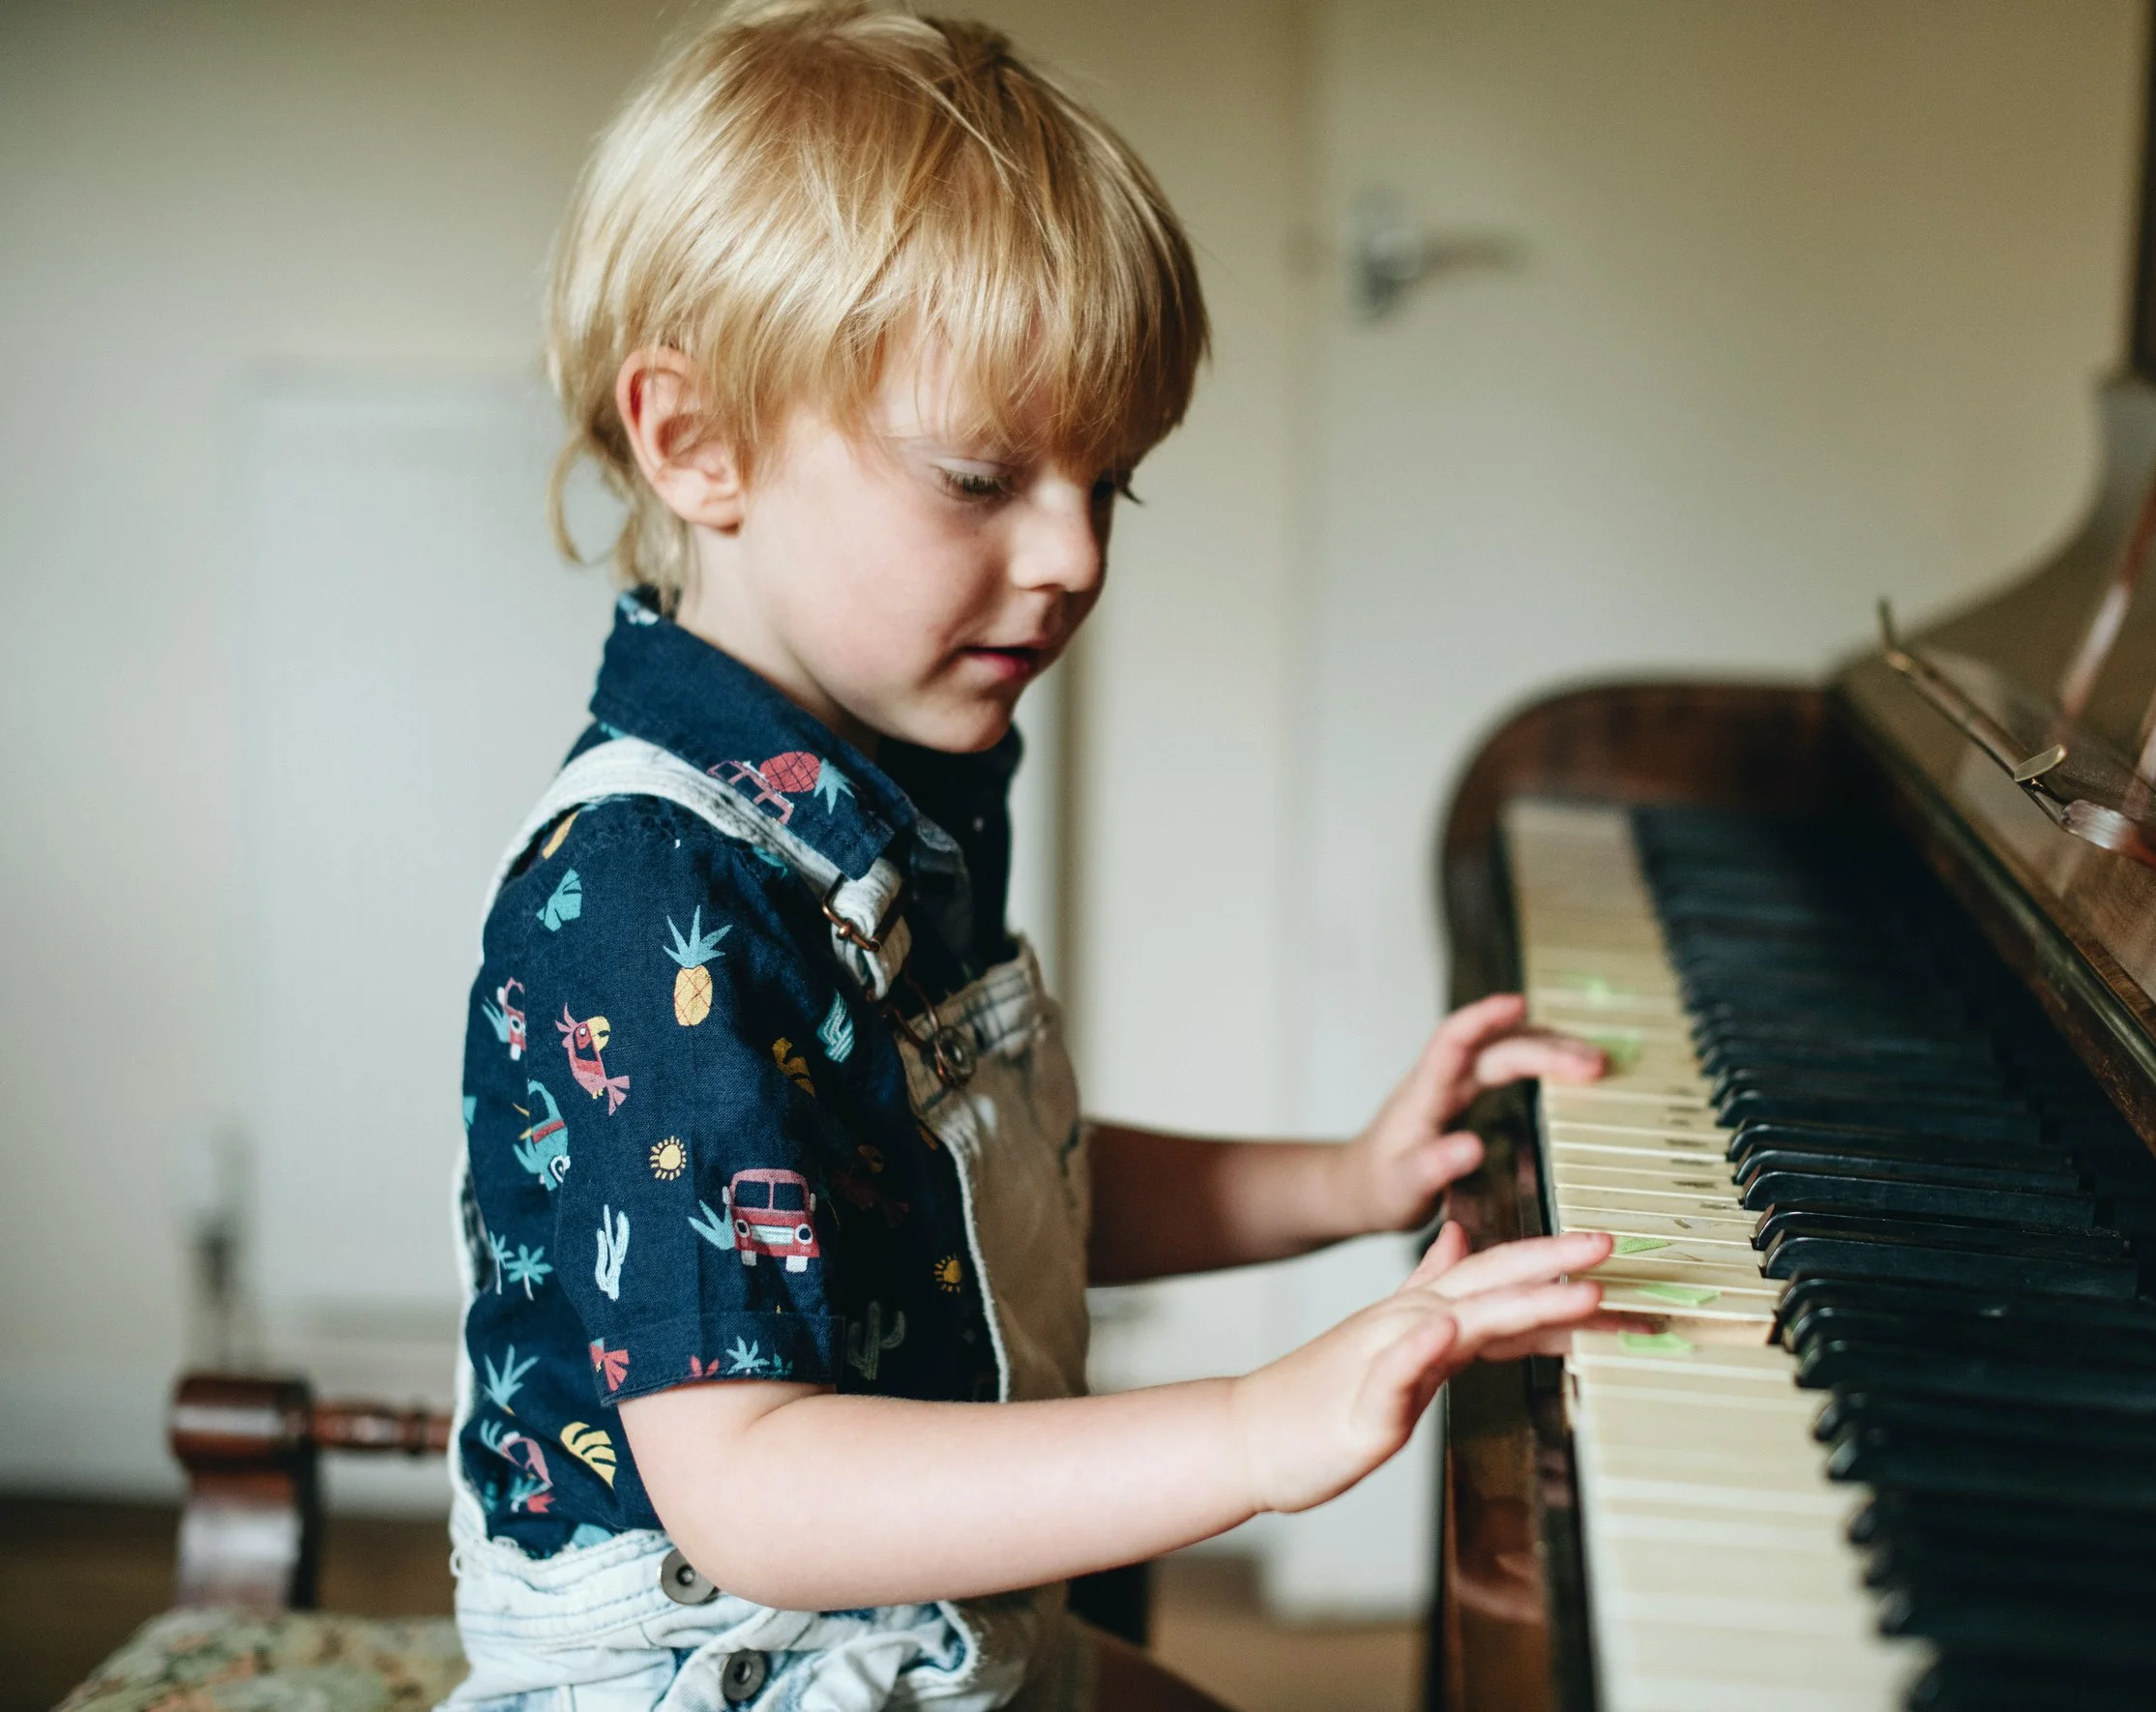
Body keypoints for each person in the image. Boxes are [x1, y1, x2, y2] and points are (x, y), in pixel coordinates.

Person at [442, 5, 1611, 1707]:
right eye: (982, 477)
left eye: (1109, 483)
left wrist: (1347, 1182)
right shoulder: (645, 892)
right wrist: (1248, 1429)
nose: (1068, 553)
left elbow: (969, 1198)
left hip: (922, 1639)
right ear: (697, 445)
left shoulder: (886, 789)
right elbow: (751, 1482)